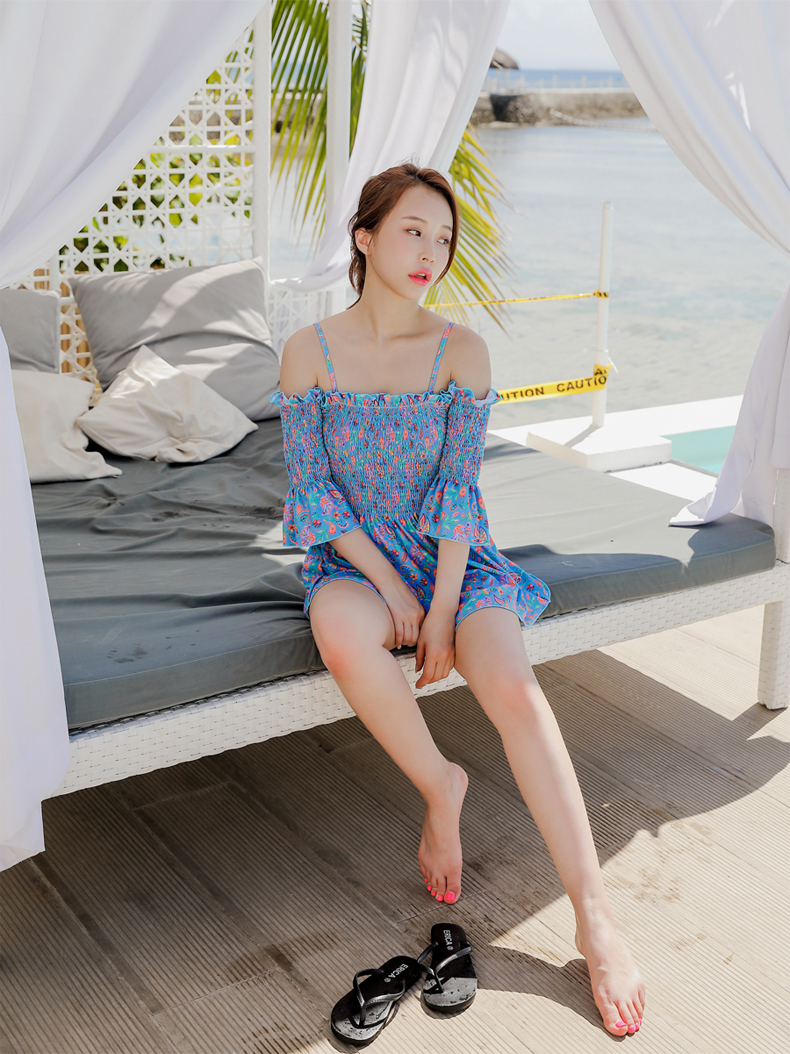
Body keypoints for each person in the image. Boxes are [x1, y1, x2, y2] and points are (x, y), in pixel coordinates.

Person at [270, 163, 645, 1037]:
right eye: (412, 231)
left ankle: (595, 918)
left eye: (442, 238)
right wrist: (388, 585)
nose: (429, 252)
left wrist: (439, 607)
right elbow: (313, 493)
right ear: (364, 237)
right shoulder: (308, 350)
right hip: (358, 559)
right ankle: (442, 786)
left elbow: (457, 495)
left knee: (514, 686)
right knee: (339, 629)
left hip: (454, 561)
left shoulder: (461, 351)